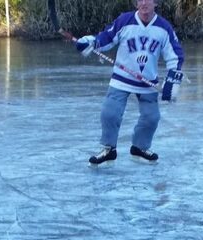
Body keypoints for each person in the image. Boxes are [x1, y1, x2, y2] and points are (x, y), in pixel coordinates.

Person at [74, 0, 184, 167]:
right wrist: (92, 42)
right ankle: (109, 150)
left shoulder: (164, 28)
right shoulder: (125, 20)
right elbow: (107, 37)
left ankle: (140, 148)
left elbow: (175, 55)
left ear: (156, 3)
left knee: (151, 118)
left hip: (148, 82)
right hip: (121, 79)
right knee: (109, 113)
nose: (144, 3)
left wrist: (172, 80)